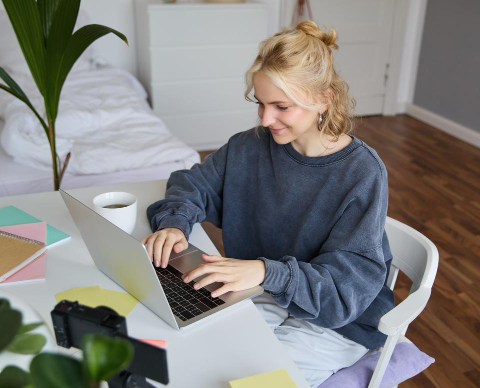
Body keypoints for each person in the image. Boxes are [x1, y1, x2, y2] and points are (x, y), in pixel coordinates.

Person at [142, 20, 394, 387]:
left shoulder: (361, 172)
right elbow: (193, 183)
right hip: (265, 291)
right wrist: (174, 222)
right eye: (259, 103)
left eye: (281, 106)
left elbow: (344, 290)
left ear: (323, 99)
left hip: (339, 322)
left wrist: (264, 271)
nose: (265, 118)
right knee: (195, 356)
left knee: (250, 379)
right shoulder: (249, 147)